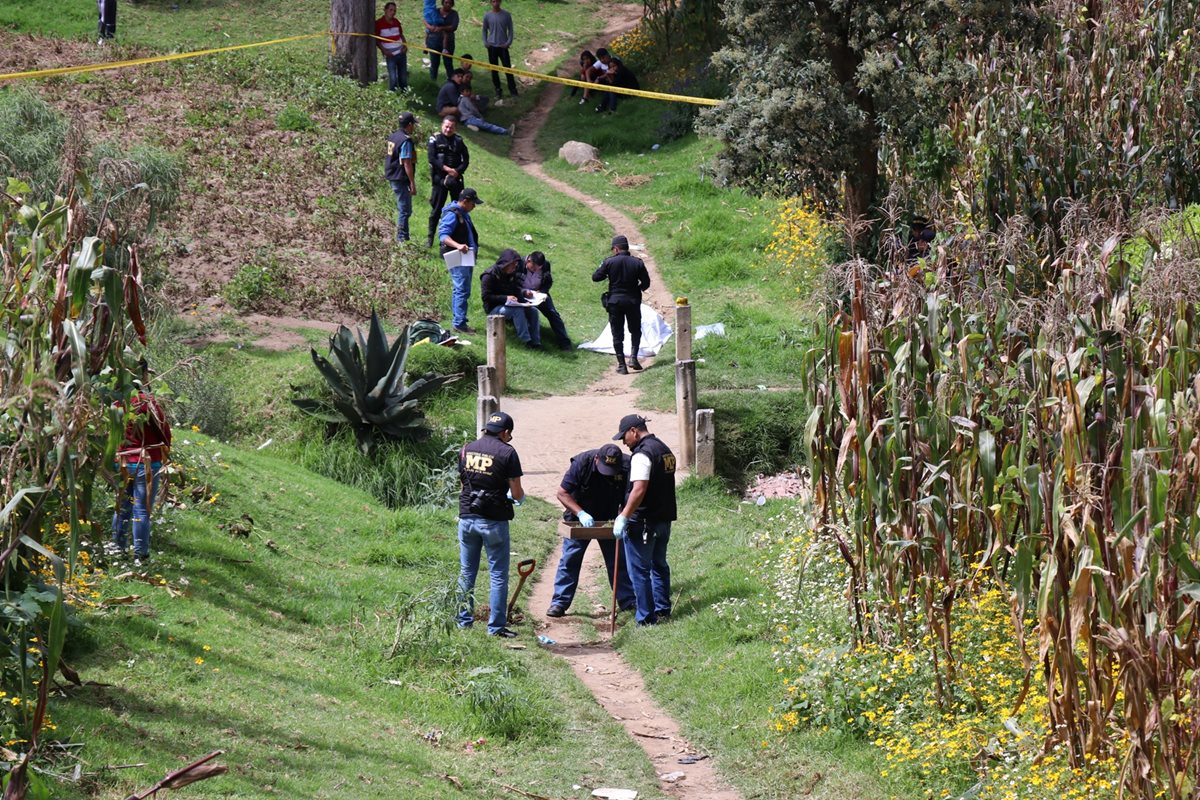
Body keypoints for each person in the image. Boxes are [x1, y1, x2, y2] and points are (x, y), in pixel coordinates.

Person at [456, 411, 525, 638]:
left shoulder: (466, 448)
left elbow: (463, 483)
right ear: (505, 433)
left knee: (467, 573)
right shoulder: (507, 452)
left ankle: (462, 622)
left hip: (466, 517)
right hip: (494, 521)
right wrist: (518, 497)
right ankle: (495, 627)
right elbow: (516, 492)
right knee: (497, 575)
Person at [547, 444, 636, 617]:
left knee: (618, 561)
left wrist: (623, 516)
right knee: (570, 559)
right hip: (581, 516)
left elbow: (632, 494)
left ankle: (627, 601)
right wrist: (580, 513)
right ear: (597, 459)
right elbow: (562, 493)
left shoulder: (627, 465)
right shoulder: (582, 463)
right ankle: (559, 602)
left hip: (610, 519)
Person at [612, 414, 676, 627]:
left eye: (624, 437)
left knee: (639, 571)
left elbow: (639, 489)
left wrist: (624, 516)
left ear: (634, 431)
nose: (624, 442)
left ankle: (647, 618)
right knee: (659, 565)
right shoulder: (664, 449)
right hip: (664, 518)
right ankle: (663, 610)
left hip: (644, 522)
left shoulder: (642, 455)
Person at [108, 359, 172, 565]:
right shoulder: (147, 402)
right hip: (148, 462)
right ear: (142, 376)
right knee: (141, 510)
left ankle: (117, 548)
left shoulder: (118, 402)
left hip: (124, 461)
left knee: (122, 506)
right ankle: (140, 554)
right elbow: (165, 433)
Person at [592, 234, 650, 374]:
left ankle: (622, 365)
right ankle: (634, 358)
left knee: (617, 334)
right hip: (633, 301)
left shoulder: (609, 262)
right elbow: (646, 283)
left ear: (616, 249)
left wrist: (605, 269)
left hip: (615, 302)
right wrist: (637, 290)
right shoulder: (637, 262)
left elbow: (595, 277)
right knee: (635, 330)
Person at [438, 187, 483, 334]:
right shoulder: (453, 214)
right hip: (457, 255)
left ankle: (459, 319)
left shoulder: (463, 213)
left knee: (463, 289)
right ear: (465, 201)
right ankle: (459, 323)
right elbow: (443, 236)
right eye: (473, 203)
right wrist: (458, 246)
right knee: (461, 289)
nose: (474, 206)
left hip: (465, 256)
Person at [480, 247, 541, 348]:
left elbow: (516, 290)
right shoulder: (489, 275)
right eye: (513, 264)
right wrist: (505, 298)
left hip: (510, 304)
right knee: (517, 310)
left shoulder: (511, 274)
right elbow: (486, 297)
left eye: (516, 264)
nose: (515, 266)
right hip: (493, 308)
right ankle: (525, 340)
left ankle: (536, 341)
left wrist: (525, 303)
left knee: (533, 310)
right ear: (506, 264)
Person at [426, 115, 470, 248]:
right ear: (442, 125)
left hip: (455, 179)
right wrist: (446, 169)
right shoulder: (434, 138)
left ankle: (454, 239)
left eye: (451, 127)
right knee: (436, 210)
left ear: (455, 128)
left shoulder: (459, 141)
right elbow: (431, 158)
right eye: (446, 126)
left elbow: (466, 160)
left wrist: (457, 171)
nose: (448, 129)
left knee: (458, 210)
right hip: (440, 179)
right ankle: (430, 238)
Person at [522, 251, 570, 349]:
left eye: (538, 269)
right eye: (533, 268)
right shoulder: (519, 264)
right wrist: (523, 292)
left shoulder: (546, 265)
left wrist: (542, 291)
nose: (535, 271)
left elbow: (548, 281)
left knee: (553, 313)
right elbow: (512, 282)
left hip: (539, 295)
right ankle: (532, 341)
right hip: (521, 294)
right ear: (528, 260)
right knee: (531, 313)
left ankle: (565, 343)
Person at [384, 111, 417, 242]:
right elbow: (407, 162)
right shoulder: (406, 140)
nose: (413, 127)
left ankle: (405, 237)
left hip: (392, 175)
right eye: (413, 124)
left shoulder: (393, 136)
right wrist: (412, 182)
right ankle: (401, 239)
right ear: (409, 125)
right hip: (400, 178)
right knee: (405, 210)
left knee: (404, 209)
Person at [482, 0, 519, 101]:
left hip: (503, 47)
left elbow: (511, 30)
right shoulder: (487, 15)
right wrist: (485, 42)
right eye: (493, 1)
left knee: (507, 69)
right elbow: (484, 30)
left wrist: (508, 43)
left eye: (497, 1)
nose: (496, 3)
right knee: (494, 70)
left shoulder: (506, 15)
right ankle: (498, 90)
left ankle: (513, 91)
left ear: (500, 2)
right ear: (491, 2)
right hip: (492, 47)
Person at [374, 2, 408, 93]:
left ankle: (404, 94)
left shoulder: (396, 22)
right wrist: (384, 50)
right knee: (393, 77)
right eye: (391, 10)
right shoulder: (378, 23)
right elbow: (377, 40)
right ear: (385, 10)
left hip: (401, 52)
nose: (392, 12)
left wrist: (405, 45)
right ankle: (392, 96)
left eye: (394, 11)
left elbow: (401, 35)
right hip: (390, 54)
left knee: (403, 76)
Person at [425, 0, 459, 82]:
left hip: (448, 43)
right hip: (434, 41)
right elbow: (426, 19)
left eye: (450, 3)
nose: (448, 5)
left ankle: (452, 83)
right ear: (442, 2)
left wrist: (441, 28)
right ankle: (432, 83)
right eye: (446, 2)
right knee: (434, 63)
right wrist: (429, 27)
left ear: (452, 4)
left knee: (448, 64)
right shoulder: (435, 11)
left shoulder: (454, 14)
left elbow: (453, 27)